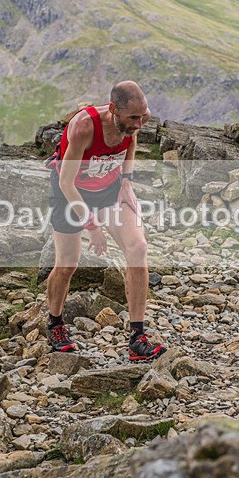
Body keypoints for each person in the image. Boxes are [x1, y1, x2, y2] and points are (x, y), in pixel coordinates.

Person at [45, 81, 167, 362]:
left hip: (110, 190)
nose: (139, 123)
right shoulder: (83, 127)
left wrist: (127, 180)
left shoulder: (138, 118)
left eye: (142, 116)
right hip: (71, 192)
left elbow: (131, 140)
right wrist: (91, 225)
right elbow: (66, 182)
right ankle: (55, 324)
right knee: (67, 263)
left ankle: (137, 338)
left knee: (138, 249)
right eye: (132, 118)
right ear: (113, 110)